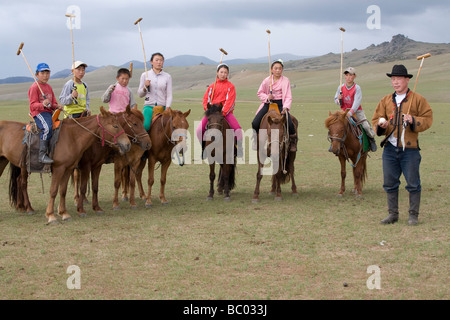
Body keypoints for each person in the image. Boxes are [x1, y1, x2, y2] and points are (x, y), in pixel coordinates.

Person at [371, 64, 433, 225]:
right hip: (390, 149)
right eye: (393, 79)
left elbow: (428, 119)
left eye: (399, 78)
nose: (395, 82)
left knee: (413, 183)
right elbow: (376, 119)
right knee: (389, 183)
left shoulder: (417, 99)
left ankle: (413, 215)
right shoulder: (385, 100)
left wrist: (414, 120)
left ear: (407, 79)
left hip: (410, 150)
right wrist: (381, 126)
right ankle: (393, 214)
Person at [196, 63, 243, 158]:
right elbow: (206, 100)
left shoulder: (231, 87)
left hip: (225, 113)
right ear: (217, 73)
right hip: (212, 113)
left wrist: (223, 112)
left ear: (228, 74)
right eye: (221, 72)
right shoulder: (211, 87)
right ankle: (203, 148)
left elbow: (230, 101)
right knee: (199, 130)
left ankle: (238, 148)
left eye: (225, 72)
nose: (223, 74)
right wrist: (208, 110)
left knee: (237, 129)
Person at [252, 59, 297, 152]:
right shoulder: (267, 80)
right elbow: (260, 92)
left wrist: (286, 107)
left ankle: (293, 141)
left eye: (280, 68)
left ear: (282, 70)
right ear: (271, 69)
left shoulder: (285, 80)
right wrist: (267, 97)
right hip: (269, 104)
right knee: (255, 122)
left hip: (281, 104)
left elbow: (288, 96)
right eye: (275, 68)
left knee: (289, 123)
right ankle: (256, 140)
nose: (277, 70)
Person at [334, 67, 377, 152]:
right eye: (346, 75)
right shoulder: (340, 87)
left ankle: (371, 139)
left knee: (365, 126)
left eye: (350, 75)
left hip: (356, 111)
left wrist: (350, 112)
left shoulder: (357, 88)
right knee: (335, 126)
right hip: (343, 111)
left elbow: (357, 102)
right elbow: (335, 100)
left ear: (354, 76)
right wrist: (339, 99)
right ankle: (334, 144)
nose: (348, 77)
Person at [28, 63, 60, 164]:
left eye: (47, 72)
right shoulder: (34, 87)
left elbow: (53, 102)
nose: (45, 75)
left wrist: (57, 106)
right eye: (42, 73)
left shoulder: (49, 87)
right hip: (39, 113)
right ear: (37, 75)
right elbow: (32, 105)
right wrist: (42, 104)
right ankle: (41, 155)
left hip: (49, 113)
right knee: (47, 128)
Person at [137, 52, 172, 131]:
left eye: (161, 60)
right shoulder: (144, 75)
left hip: (162, 107)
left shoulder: (167, 76)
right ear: (151, 62)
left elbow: (169, 94)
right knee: (145, 126)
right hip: (149, 106)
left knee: (171, 127)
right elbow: (140, 94)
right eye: (157, 60)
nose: (159, 62)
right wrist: (145, 87)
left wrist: (167, 108)